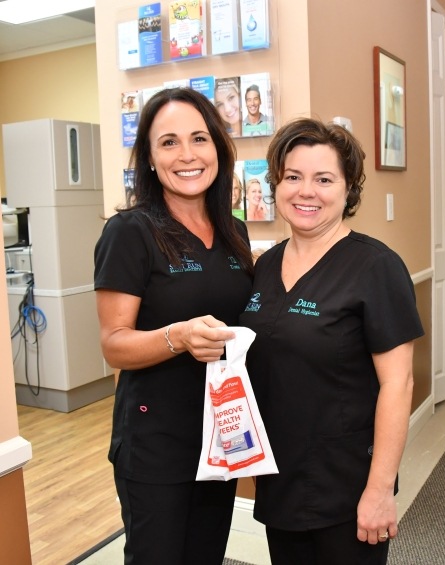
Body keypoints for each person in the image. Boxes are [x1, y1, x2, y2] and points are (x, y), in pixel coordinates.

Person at [239, 118, 424, 565]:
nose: (307, 191)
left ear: (347, 190)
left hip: (347, 483)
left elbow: (398, 385)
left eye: (324, 179)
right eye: (293, 177)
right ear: (276, 185)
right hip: (280, 477)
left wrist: (379, 490)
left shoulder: (376, 267)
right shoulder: (265, 266)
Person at [94, 87, 254, 564]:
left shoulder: (234, 231)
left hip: (220, 434)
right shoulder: (130, 233)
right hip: (156, 442)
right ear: (148, 157)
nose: (187, 155)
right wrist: (178, 337)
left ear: (218, 149)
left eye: (199, 139)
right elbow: (113, 344)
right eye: (168, 142)